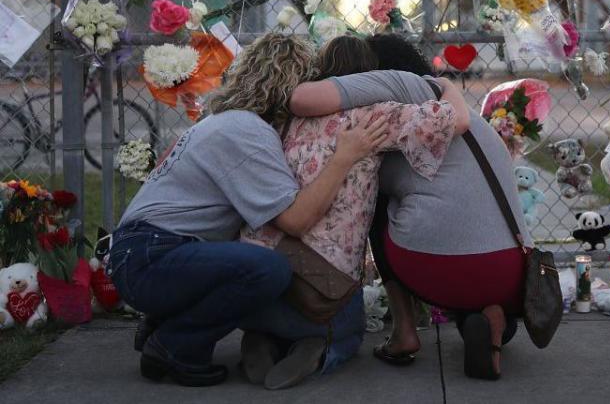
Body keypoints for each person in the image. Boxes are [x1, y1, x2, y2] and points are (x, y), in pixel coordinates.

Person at [106, 34, 387, 387]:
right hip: (151, 258)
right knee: (268, 270)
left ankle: (170, 323)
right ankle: (175, 346)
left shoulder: (223, 121)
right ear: (291, 87)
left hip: (144, 254)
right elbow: (296, 220)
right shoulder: (247, 132)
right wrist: (345, 157)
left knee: (258, 264)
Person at [289, 33, 536, 381]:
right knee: (500, 321)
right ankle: (489, 316)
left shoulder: (393, 103)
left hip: (433, 261)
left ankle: (404, 330)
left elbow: (301, 99)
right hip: (510, 269)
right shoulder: (461, 114)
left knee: (377, 199)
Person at [240, 35, 469, 388]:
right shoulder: (372, 115)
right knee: (350, 329)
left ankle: (261, 336)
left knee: (274, 304)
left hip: (258, 258)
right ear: (369, 76)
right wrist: (445, 86)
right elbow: (454, 121)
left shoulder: (285, 118)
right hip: (320, 276)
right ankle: (323, 348)